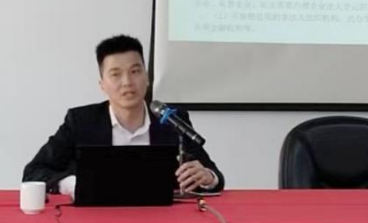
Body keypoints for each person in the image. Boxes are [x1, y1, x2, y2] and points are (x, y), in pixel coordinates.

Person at [22, 35, 224, 195]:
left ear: (147, 78)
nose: (127, 82)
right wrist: (71, 184)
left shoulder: (170, 119)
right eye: (116, 74)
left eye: (135, 71)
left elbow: (214, 176)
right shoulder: (81, 121)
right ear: (102, 85)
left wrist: (208, 177)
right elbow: (33, 172)